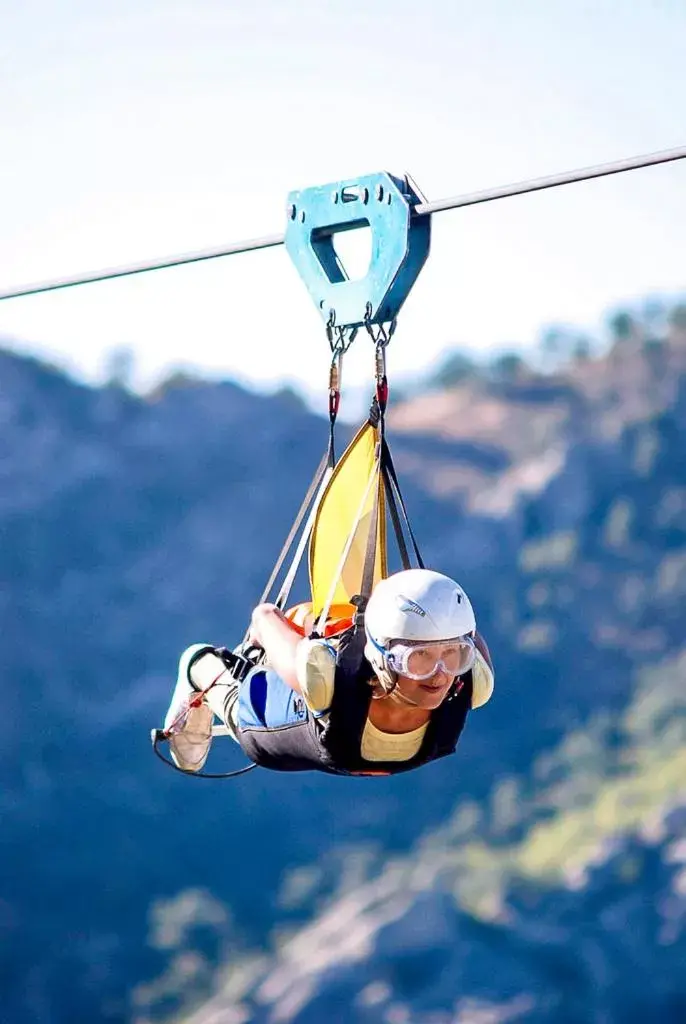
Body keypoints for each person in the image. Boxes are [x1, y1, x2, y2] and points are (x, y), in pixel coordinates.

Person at [163, 568, 494, 777]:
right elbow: (264, 618)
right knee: (245, 705)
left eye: (454, 656)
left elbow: (457, 632)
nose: (439, 675)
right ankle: (198, 666)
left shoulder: (471, 681)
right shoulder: (329, 678)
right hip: (290, 739)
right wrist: (266, 619)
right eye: (417, 658)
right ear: (383, 658)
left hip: (347, 744)